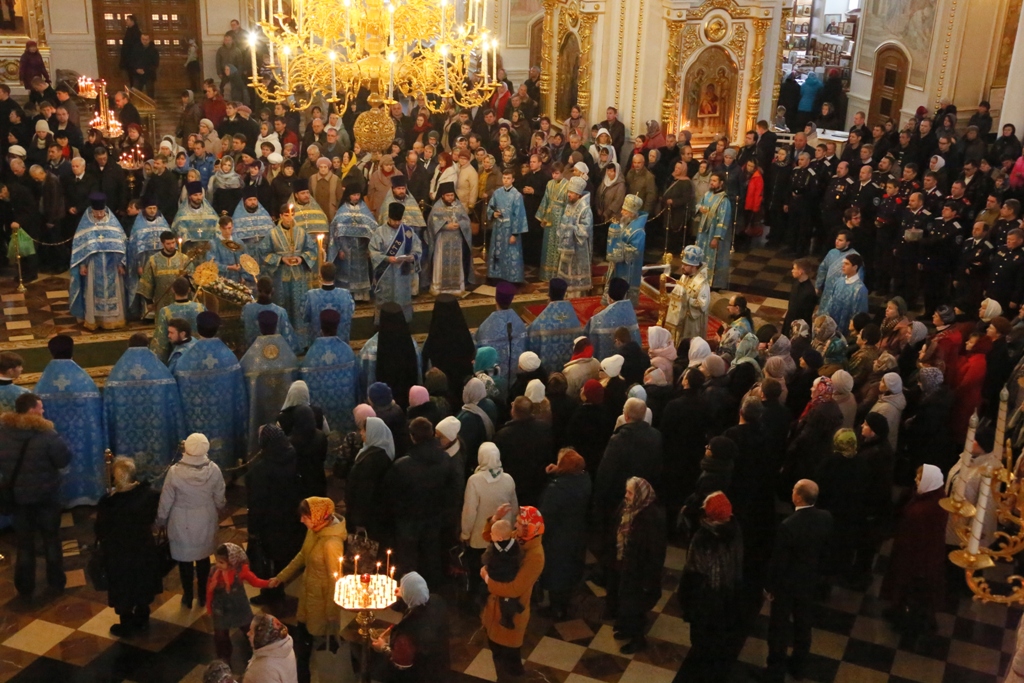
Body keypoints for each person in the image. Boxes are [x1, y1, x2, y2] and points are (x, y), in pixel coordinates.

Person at [267, 497, 347, 683]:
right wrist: (281, 577)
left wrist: (332, 614)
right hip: (309, 596)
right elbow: (303, 555)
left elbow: (336, 581)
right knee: (303, 641)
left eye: (305, 517)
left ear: (319, 517)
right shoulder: (315, 530)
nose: (302, 521)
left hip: (321, 606)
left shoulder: (331, 544)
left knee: (313, 644)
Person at [0, 392, 71, 597]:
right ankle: (56, 582)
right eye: (41, 407)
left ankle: (24, 586)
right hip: (46, 496)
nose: (43, 411)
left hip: (18, 498)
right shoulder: (48, 435)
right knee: (51, 538)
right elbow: (63, 460)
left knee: (24, 542)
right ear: (32, 410)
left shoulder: (3, 433)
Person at [763, 479, 834, 682]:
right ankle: (799, 666)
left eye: (794, 489)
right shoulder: (826, 517)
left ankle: (775, 670)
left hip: (787, 584)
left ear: (798, 497)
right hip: (809, 581)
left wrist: (770, 586)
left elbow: (779, 561)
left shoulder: (788, 525)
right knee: (803, 625)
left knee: (779, 626)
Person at [386, 417, 459, 588]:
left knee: (408, 560)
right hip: (434, 518)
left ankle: (407, 595)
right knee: (431, 557)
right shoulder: (445, 460)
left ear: (412, 436)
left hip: (408, 521)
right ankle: (431, 594)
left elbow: (391, 496)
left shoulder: (402, 465)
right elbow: (452, 491)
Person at [34, 335, 106, 508]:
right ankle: (88, 491)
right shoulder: (84, 382)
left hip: (56, 439)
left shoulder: (43, 384)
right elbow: (96, 412)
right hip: (82, 439)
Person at [157, 433, 227, 609]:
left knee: (184, 561)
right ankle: (203, 595)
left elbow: (166, 500)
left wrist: (161, 519)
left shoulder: (175, 472)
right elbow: (220, 497)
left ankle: (188, 596)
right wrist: (221, 506)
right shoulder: (214, 470)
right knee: (203, 559)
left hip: (182, 521)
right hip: (205, 517)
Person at [679, 491, 743, 682]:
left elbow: (694, 571)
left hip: (705, 596)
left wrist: (685, 600)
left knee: (700, 640)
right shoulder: (735, 529)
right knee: (718, 638)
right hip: (728, 593)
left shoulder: (703, 537)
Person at [104, 334, 186, 482]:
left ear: (128, 346)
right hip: (157, 434)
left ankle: (126, 479)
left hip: (126, 433)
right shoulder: (162, 373)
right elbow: (174, 406)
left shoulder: (116, 375)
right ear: (148, 346)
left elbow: (108, 410)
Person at [94, 456, 162, 636]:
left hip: (118, 554)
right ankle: (143, 617)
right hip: (142, 548)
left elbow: (100, 530)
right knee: (142, 582)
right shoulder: (149, 496)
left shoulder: (108, 503)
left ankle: (126, 624)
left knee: (123, 587)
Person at [173, 312, 249, 469]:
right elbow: (240, 398)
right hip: (224, 422)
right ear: (217, 329)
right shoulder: (229, 358)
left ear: (198, 329)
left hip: (195, 423)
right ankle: (227, 473)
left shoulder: (185, 360)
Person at [481, 505, 546, 679]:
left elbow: (514, 588)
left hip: (511, 616)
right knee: (499, 659)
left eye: (519, 524)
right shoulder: (518, 538)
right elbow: (491, 538)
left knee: (509, 667)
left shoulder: (535, 556)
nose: (515, 527)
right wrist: (495, 519)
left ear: (530, 528)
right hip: (494, 610)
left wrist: (487, 579)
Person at [881, 465, 948, 634]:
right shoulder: (933, 497)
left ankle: (910, 621)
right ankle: (899, 608)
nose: (916, 482)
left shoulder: (924, 510)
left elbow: (920, 535)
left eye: (919, 479)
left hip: (917, 557)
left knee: (913, 589)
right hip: (911, 550)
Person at [603, 477, 666, 654]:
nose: (626, 496)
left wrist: (649, 579)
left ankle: (638, 638)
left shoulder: (651, 517)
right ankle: (625, 628)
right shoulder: (627, 508)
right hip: (623, 563)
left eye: (630, 493)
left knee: (635, 604)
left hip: (639, 571)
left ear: (640, 494)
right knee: (623, 599)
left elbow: (654, 552)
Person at [246, 425, 305, 606]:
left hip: (270, 522)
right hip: (292, 516)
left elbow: (257, 502)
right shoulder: (294, 457)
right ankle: (280, 586)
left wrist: (253, 528)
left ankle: (272, 593)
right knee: (284, 555)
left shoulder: (261, 469)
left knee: (268, 559)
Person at [537, 448, 591, 620]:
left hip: (557, 537)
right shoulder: (584, 479)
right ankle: (565, 602)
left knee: (555, 572)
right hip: (576, 532)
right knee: (570, 568)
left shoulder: (556, 490)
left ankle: (557, 609)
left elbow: (546, 515)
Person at [370, 572, 451, 681]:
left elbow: (401, 664)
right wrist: (405, 594)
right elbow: (419, 605)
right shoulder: (437, 600)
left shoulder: (406, 635)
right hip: (439, 664)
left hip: (418, 675)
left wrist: (383, 647)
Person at [461, 442, 518, 597]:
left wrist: (465, 533)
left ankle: (476, 600)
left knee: (477, 572)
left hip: (479, 537)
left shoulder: (474, 481)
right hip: (503, 536)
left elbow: (469, 511)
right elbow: (514, 509)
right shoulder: (508, 479)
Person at [240, 311, 299, 454]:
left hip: (260, 412)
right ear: (276, 324)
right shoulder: (288, 356)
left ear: (259, 326)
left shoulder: (250, 359)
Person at [69, 193, 127, 330]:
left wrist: (121, 263)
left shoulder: (113, 223)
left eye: (102, 211)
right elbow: (81, 247)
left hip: (111, 264)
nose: (100, 214)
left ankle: (113, 319)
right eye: (97, 212)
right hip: (93, 264)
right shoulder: (86, 224)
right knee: (92, 291)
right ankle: (94, 319)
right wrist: (82, 265)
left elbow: (121, 245)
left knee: (114, 291)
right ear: (92, 210)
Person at [256, 203, 318, 330]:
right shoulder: (272, 234)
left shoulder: (301, 232)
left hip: (298, 276)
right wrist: (281, 259)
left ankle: (301, 339)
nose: (290, 218)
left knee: (299, 304)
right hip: (280, 276)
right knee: (282, 304)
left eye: (292, 215)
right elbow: (262, 252)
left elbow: (312, 250)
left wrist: (301, 258)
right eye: (286, 215)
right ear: (280, 216)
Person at [206, 543, 270, 661]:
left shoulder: (240, 571)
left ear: (231, 562)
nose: (217, 565)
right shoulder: (213, 572)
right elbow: (209, 590)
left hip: (239, 607)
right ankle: (224, 657)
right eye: (217, 561)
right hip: (220, 609)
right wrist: (209, 606)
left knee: (249, 629)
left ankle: (258, 650)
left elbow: (255, 581)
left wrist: (268, 583)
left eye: (221, 562)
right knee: (220, 636)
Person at [370, 202, 423, 322]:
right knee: (385, 299)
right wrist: (387, 258)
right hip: (385, 273)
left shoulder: (408, 232)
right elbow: (373, 251)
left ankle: (403, 321)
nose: (397, 223)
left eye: (399, 221)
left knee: (402, 298)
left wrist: (412, 257)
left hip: (402, 274)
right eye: (394, 221)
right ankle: (382, 322)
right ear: (389, 217)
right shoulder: (380, 232)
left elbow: (417, 249)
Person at [346, 416, 394, 547]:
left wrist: (359, 521)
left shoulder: (371, 460)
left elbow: (364, 492)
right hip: (375, 515)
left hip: (369, 518)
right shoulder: (379, 453)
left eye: (364, 430)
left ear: (374, 433)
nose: (361, 433)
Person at [422, 293, 477, 403]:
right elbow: (472, 353)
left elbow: (425, 361)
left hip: (442, 392)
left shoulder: (434, 336)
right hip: (462, 388)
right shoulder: (464, 335)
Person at [329, 182, 378, 301]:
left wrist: (369, 248)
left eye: (358, 195)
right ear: (348, 196)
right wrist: (339, 249)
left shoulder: (364, 209)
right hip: (346, 246)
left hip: (361, 246)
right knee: (346, 271)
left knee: (361, 270)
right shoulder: (342, 209)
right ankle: (347, 295)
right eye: (354, 195)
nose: (356, 197)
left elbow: (373, 228)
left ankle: (361, 296)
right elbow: (335, 230)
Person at [475, 281, 527, 386]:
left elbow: (479, 349)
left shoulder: (486, 327)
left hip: (494, 380)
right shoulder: (520, 324)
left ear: (496, 300)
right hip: (516, 379)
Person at [126, 198, 172, 318]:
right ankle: (147, 314)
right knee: (147, 285)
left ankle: (162, 311)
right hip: (145, 260)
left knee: (160, 284)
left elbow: (169, 241)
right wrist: (139, 265)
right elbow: (135, 248)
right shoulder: (139, 225)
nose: (152, 211)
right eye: (149, 208)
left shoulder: (162, 222)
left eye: (154, 208)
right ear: (144, 210)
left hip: (161, 259)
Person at [427, 180, 475, 295]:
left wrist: (460, 224)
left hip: (456, 240)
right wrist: (445, 226)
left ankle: (456, 288)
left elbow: (466, 220)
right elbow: (432, 222)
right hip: (442, 240)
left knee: (456, 264)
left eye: (452, 195)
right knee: (441, 262)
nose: (450, 198)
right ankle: (438, 288)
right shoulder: (437, 206)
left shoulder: (458, 205)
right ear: (443, 195)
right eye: (448, 195)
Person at [525, 277, 582, 370]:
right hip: (569, 369)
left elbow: (531, 341)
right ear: (564, 294)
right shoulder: (573, 320)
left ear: (549, 294)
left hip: (547, 371)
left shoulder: (540, 323)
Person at [487, 169, 530, 283]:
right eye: (504, 178)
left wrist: (514, 234)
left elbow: (519, 216)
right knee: (497, 252)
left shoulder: (516, 195)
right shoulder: (497, 193)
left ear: (513, 180)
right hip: (498, 228)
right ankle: (496, 275)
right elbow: (490, 207)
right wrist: (493, 213)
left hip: (510, 229)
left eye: (508, 178)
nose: (506, 181)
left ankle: (512, 278)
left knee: (511, 253)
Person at [605, 194, 647, 305]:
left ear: (632, 214)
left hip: (628, 268)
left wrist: (618, 246)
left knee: (622, 291)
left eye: (625, 210)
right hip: (617, 264)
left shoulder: (638, 232)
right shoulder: (624, 223)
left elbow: (635, 251)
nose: (622, 212)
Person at [556, 176, 594, 297]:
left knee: (576, 279)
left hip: (579, 250)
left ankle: (577, 298)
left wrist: (570, 227)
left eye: (572, 193)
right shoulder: (569, 205)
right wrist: (564, 227)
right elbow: (563, 222)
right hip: (566, 249)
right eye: (568, 191)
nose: (569, 195)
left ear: (578, 194)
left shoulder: (585, 210)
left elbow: (585, 230)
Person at [585, 277, 640, 360]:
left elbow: (588, 343)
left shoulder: (597, 320)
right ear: (625, 295)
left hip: (605, 367)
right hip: (629, 363)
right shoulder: (631, 314)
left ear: (609, 298)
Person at [242, 277, 302, 354]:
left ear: (257, 289)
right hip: (275, 354)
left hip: (253, 354)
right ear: (272, 291)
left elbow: (243, 328)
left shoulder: (247, 309)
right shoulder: (280, 312)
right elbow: (288, 338)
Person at [694, 172, 733, 289]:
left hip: (713, 234)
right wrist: (699, 208)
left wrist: (716, 238)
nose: (711, 183)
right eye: (711, 180)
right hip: (703, 234)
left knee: (713, 259)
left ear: (721, 183)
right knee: (701, 257)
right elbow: (698, 205)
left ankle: (713, 284)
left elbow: (723, 221)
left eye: (715, 181)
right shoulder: (707, 194)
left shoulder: (724, 200)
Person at [666, 245, 710, 344]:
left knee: (690, 344)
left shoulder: (702, 284)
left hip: (692, 322)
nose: (682, 267)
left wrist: (686, 300)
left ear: (694, 266)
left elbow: (702, 305)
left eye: (685, 265)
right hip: (681, 317)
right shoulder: (684, 276)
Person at [245, 614, 299, 683]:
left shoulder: (263, 670)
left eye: (251, 632)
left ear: (262, 638)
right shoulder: (284, 645)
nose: (248, 634)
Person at [172, 180, 219, 250]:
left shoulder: (211, 213)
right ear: (189, 197)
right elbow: (178, 231)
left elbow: (217, 229)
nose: (199, 197)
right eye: (195, 195)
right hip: (190, 249)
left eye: (200, 194)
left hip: (209, 249)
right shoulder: (182, 216)